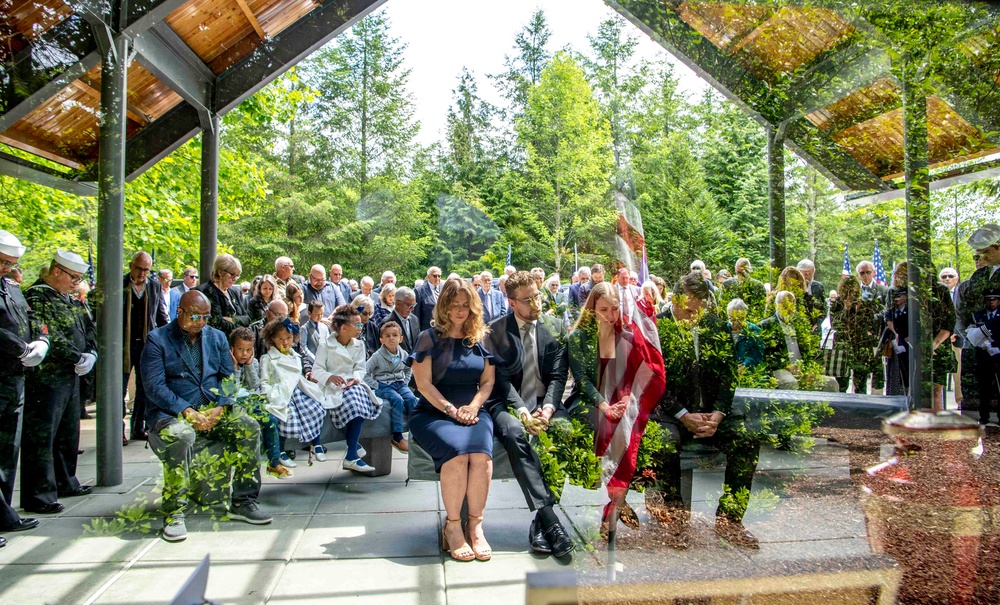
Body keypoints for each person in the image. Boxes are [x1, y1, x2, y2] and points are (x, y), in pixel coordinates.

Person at [142, 290, 272, 541]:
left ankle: (243, 501)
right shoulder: (157, 340)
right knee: (181, 436)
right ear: (179, 313)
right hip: (173, 413)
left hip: (213, 410)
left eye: (205, 317)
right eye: (195, 317)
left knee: (249, 427)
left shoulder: (218, 337)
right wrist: (186, 410)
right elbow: (154, 387)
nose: (201, 322)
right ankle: (174, 512)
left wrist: (221, 405)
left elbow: (227, 377)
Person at [653, 273, 760, 548]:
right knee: (665, 442)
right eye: (689, 309)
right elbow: (653, 381)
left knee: (747, 437)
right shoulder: (657, 328)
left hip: (712, 413)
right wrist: (682, 414)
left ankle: (730, 519)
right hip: (671, 413)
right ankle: (674, 519)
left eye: (700, 309)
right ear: (675, 300)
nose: (694, 316)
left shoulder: (716, 327)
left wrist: (719, 413)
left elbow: (728, 376)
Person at [566, 281, 665, 539]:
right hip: (589, 401)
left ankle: (617, 500)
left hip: (621, 401)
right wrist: (604, 405)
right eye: (604, 310)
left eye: (615, 309)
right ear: (591, 310)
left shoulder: (627, 337)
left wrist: (627, 401)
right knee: (605, 425)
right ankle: (616, 498)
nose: (611, 316)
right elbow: (582, 379)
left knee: (638, 431)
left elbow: (637, 376)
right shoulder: (579, 337)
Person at [407, 278, 497, 562]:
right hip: (434, 412)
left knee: (481, 456)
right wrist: (450, 409)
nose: (461, 311)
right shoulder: (428, 338)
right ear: (443, 306)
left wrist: (472, 407)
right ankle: (454, 527)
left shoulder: (481, 337)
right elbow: (423, 385)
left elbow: (487, 383)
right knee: (457, 456)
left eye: (466, 305)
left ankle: (476, 525)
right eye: (455, 305)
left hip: (473, 410)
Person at [486, 271, 573, 557]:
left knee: (564, 432)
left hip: (544, 401)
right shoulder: (495, 331)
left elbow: (559, 377)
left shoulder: (556, 327)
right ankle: (552, 521)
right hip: (507, 403)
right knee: (513, 432)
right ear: (512, 303)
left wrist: (547, 409)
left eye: (538, 295)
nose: (536, 303)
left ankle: (541, 521)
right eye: (528, 299)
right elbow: (500, 381)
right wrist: (523, 412)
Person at [21, 250, 97, 514]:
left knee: (68, 432)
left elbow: (88, 327)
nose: (76, 283)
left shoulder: (68, 298)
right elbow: (46, 333)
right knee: (43, 437)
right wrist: (77, 355)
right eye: (73, 277)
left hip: (69, 375)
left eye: (78, 278)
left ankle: (66, 481)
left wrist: (92, 351)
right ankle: (39, 494)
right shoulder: (38, 296)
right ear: (56, 272)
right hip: (47, 377)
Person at [0, 231, 45, 541]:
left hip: (14, 378)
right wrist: (20, 347)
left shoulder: (13, 288)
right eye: (3, 262)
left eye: (11, 263)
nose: (7, 268)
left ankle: (3, 512)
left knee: (7, 451)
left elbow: (34, 319)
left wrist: (41, 340)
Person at [312, 305, 383, 474]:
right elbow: (317, 370)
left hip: (351, 384)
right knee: (351, 403)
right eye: (357, 325)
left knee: (358, 401)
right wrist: (330, 377)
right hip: (331, 387)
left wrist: (355, 378)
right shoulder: (325, 345)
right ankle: (352, 451)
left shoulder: (359, 344)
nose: (361, 328)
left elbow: (361, 368)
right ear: (344, 328)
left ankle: (351, 454)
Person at [260, 318, 328, 474]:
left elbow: (298, 376)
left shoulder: (295, 356)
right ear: (272, 340)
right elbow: (265, 382)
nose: (285, 342)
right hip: (281, 394)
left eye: (288, 338)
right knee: (285, 417)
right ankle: (281, 451)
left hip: (296, 391)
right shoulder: (268, 359)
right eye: (280, 339)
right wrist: (270, 395)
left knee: (315, 408)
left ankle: (316, 443)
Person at [123, 251, 170, 442]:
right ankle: (117, 429)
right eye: (139, 269)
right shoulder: (120, 284)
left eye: (146, 270)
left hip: (146, 344)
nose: (142, 273)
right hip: (123, 345)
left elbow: (161, 316)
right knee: (120, 388)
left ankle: (138, 427)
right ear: (131, 266)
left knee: (145, 389)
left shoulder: (154, 287)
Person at [760, 291, 838, 391]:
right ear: (777, 305)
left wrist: (810, 367)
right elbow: (765, 356)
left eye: (792, 304)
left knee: (831, 382)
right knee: (790, 382)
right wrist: (787, 366)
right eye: (784, 304)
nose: (789, 308)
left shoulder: (800, 323)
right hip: (780, 369)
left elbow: (809, 351)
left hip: (802, 368)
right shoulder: (766, 325)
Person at [365, 321, 418, 451]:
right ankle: (397, 435)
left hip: (400, 384)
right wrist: (376, 385)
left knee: (411, 399)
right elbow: (364, 373)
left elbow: (408, 369)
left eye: (394, 335)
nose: (391, 338)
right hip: (384, 385)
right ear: (381, 340)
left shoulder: (404, 354)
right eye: (387, 336)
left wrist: (405, 382)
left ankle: (416, 431)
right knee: (397, 400)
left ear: (400, 339)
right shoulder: (377, 356)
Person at [829, 275, 882, 394]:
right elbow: (835, 325)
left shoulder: (864, 303)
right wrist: (846, 309)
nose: (851, 294)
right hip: (842, 347)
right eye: (848, 290)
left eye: (853, 290)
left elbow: (870, 323)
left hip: (860, 346)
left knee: (861, 384)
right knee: (841, 384)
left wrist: (859, 310)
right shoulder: (836, 303)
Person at [967, 289, 1000, 423]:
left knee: (999, 388)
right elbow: (971, 333)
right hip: (983, 356)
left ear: (999, 301)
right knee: (984, 388)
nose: (991, 302)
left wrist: (998, 348)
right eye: (988, 300)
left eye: (994, 300)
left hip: (998, 356)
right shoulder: (978, 316)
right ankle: (984, 416)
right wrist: (983, 345)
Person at [940, 267, 964, 406]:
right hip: (940, 340)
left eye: (950, 276)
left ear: (957, 278)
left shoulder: (961, 292)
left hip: (957, 339)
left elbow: (961, 316)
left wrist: (953, 332)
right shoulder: (938, 293)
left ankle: (960, 401)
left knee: (958, 374)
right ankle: (940, 405)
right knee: (940, 375)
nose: (947, 279)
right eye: (944, 276)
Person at [727, 298, 763, 369]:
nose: (735, 323)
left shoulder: (754, 330)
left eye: (739, 319)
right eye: (731, 319)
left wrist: (745, 365)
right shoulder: (724, 329)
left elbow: (758, 354)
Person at [797, 259, 826, 331]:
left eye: (810, 274)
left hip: (815, 328)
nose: (807, 276)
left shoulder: (819, 287)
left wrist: (818, 323)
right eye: (805, 274)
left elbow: (824, 308)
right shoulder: (794, 287)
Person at [389, 286, 420, 352]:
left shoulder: (415, 320)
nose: (412, 309)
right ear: (398, 304)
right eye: (409, 305)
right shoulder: (387, 323)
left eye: (413, 305)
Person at [415, 266, 443, 332]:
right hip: (427, 329)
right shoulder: (419, 291)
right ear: (428, 277)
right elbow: (416, 314)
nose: (437, 278)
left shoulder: (444, 289)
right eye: (435, 276)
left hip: (442, 328)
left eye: (439, 276)